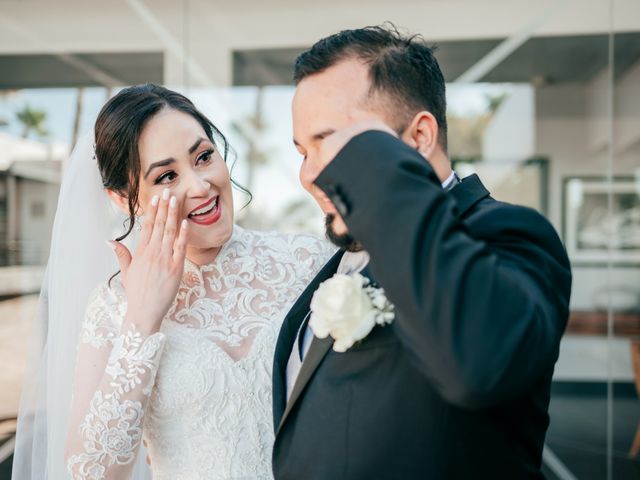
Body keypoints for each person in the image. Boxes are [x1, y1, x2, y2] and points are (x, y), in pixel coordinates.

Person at [272, 25, 572, 479]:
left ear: (418, 137)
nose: (311, 176)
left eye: (332, 142)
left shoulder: (507, 235)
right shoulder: (335, 263)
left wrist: (375, 171)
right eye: (302, 150)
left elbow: (477, 365)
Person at [12, 84, 334, 480]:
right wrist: (142, 318)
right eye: (166, 176)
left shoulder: (307, 260)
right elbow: (90, 472)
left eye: (203, 157)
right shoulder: (113, 307)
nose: (200, 186)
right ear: (123, 199)